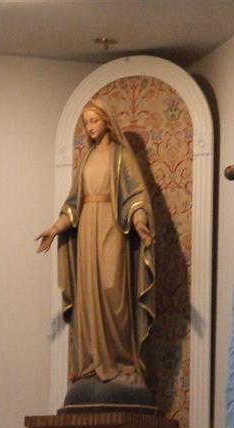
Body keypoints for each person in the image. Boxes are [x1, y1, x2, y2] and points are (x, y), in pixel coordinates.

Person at [36, 98, 155, 388]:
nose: (90, 127)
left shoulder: (121, 156)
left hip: (112, 228)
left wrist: (140, 221)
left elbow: (136, 196)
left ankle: (122, 361)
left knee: (113, 291)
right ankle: (92, 361)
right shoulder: (87, 160)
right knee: (89, 295)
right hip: (87, 229)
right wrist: (55, 228)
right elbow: (73, 204)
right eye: (86, 122)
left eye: (94, 120)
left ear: (107, 121)